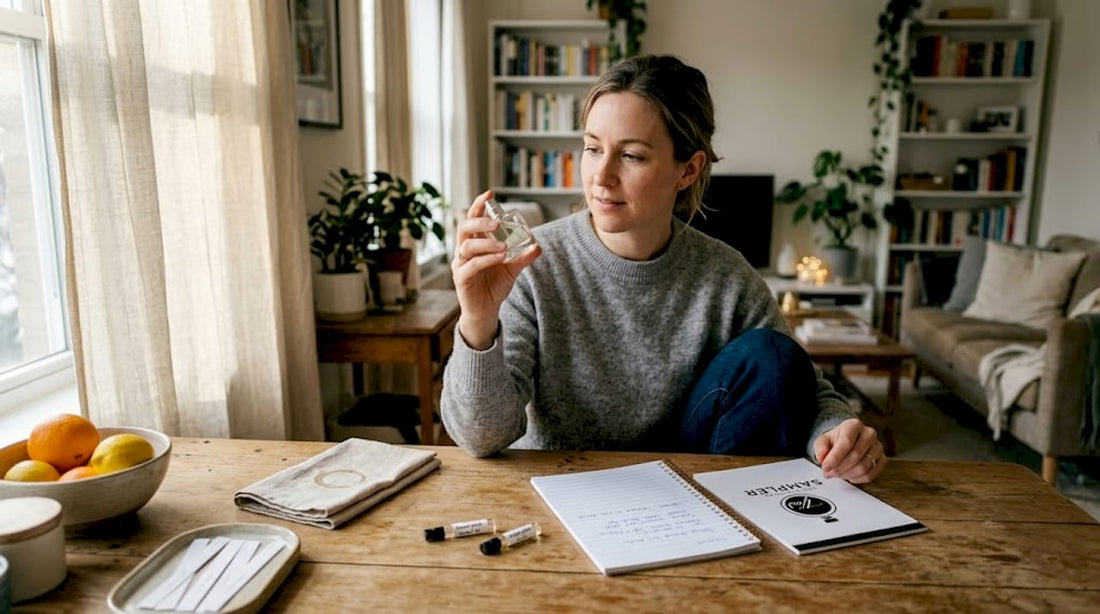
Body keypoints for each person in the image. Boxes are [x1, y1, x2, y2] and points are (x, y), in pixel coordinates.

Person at [442, 54, 885, 483]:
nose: (602, 176)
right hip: (570, 488)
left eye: (631, 156)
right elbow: (482, 438)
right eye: (593, 149)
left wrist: (837, 433)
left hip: (692, 486)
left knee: (772, 353)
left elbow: (803, 386)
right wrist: (478, 322)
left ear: (688, 169)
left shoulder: (726, 276)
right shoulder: (533, 267)